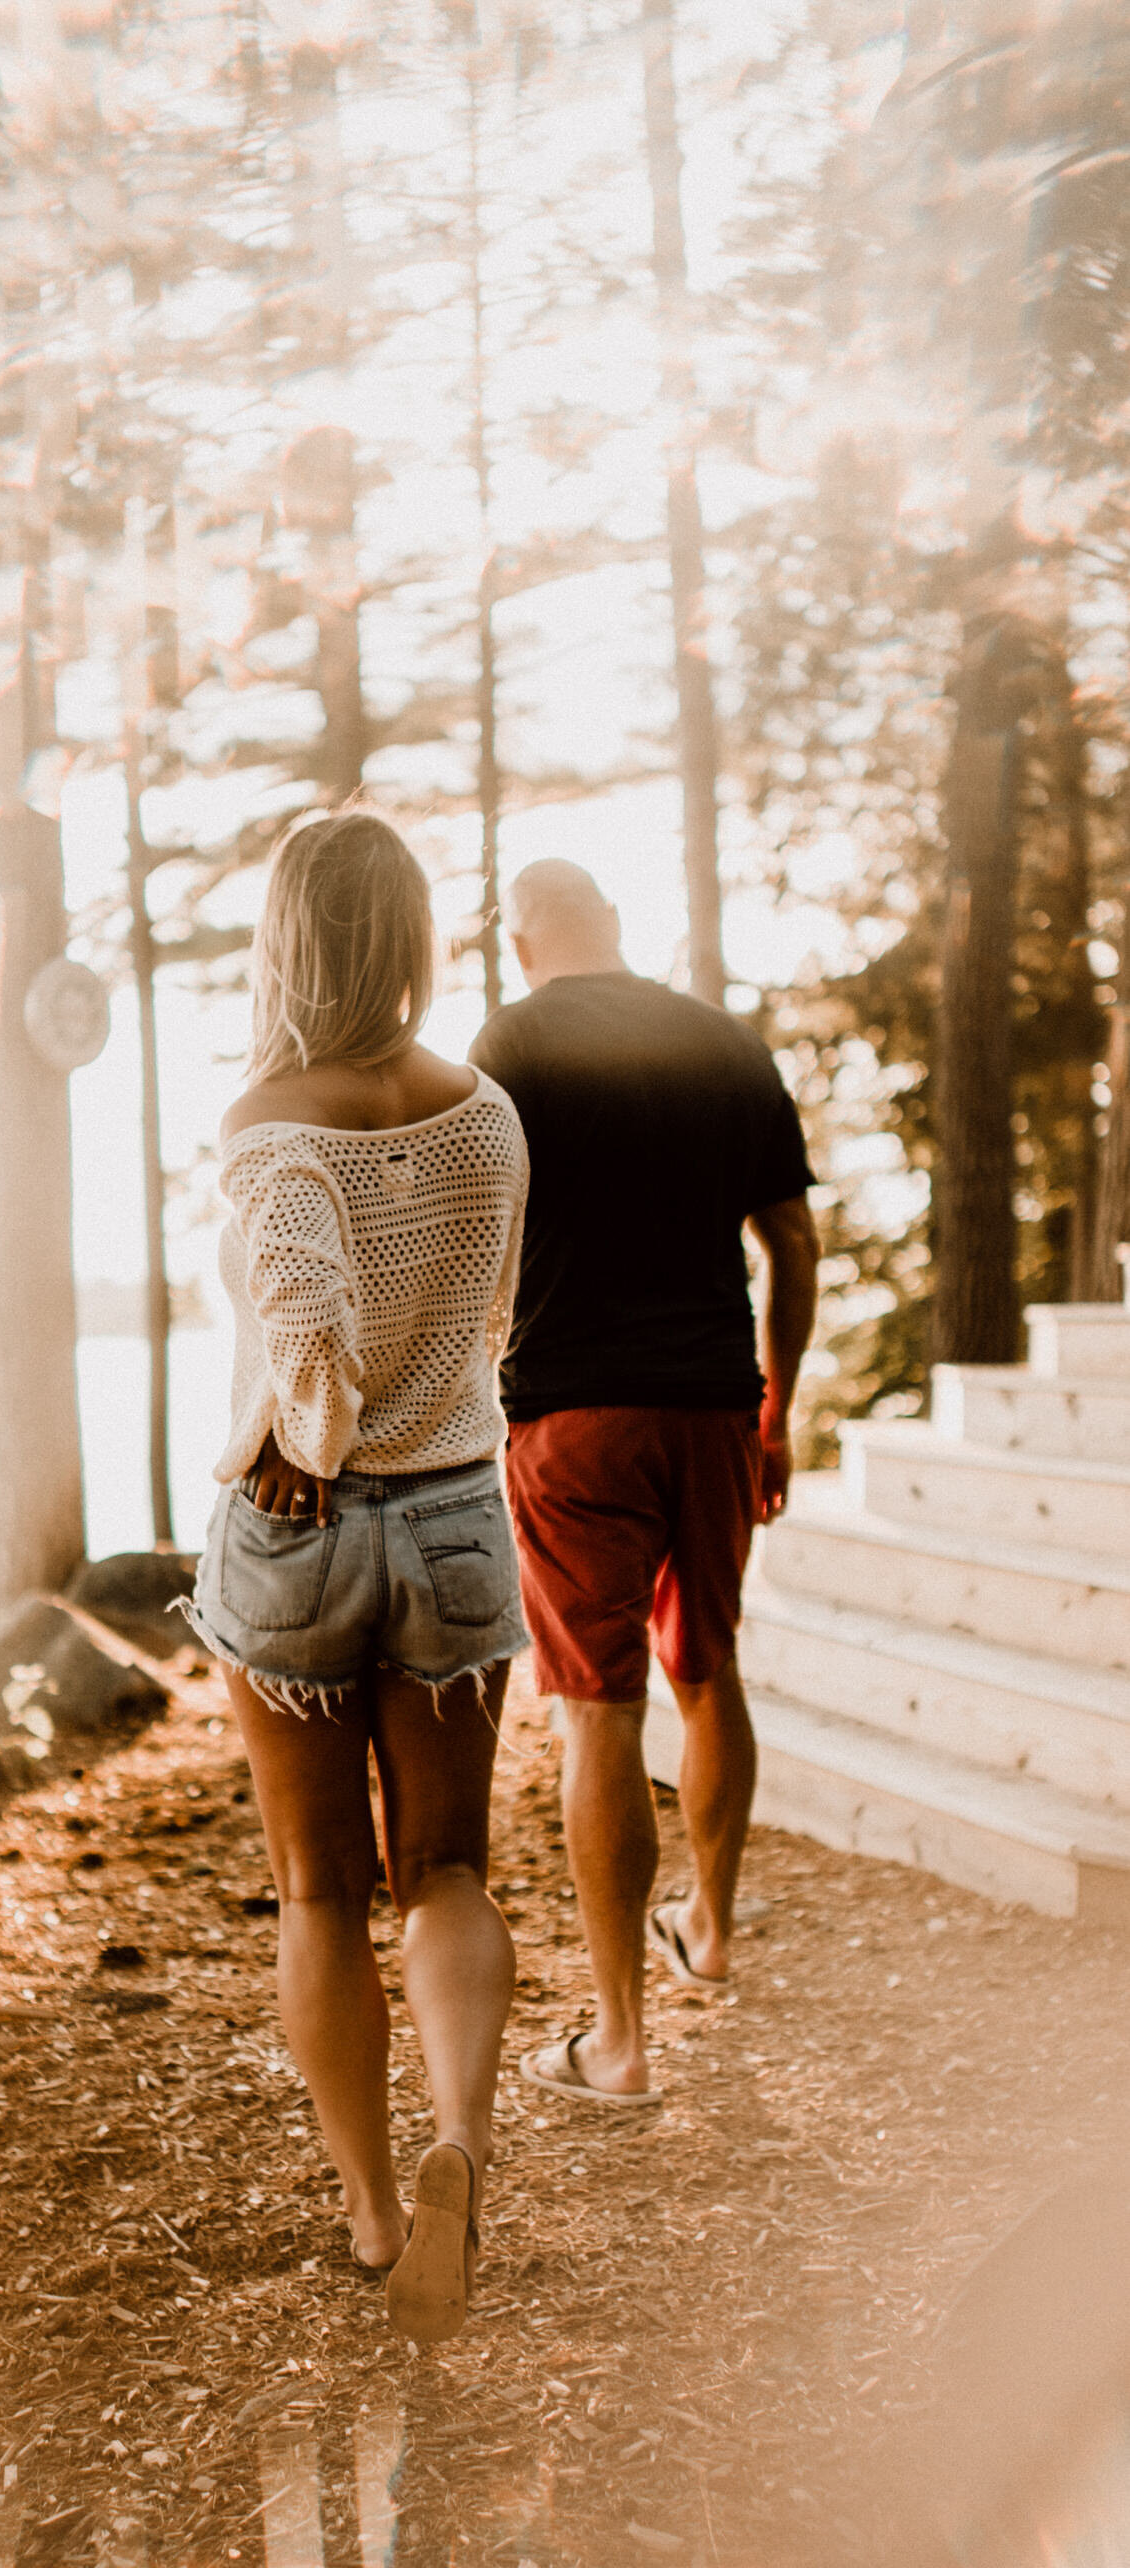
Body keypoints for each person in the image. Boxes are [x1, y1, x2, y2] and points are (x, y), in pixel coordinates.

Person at [187, 808, 530, 2342]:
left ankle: (381, 2220)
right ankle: (459, 2141)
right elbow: (487, 1315)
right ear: (410, 935)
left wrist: (300, 1439)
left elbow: (305, 1323)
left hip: (307, 1529)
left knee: (320, 1889)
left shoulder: (272, 1119)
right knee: (445, 1870)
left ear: (290, 936)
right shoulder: (485, 1113)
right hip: (460, 1512)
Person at [469, 860, 819, 2110]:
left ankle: (620, 2044)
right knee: (709, 1668)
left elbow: (474, 1234)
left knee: (597, 1713)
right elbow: (790, 1238)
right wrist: (776, 1403)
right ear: (614, 927)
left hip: (571, 1415)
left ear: (520, 944)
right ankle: (710, 1931)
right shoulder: (720, 1041)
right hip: (717, 1400)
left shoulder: (507, 1042)